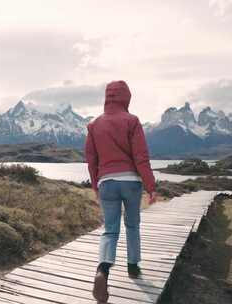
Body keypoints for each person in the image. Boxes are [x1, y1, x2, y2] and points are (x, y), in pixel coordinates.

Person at [84, 80, 157, 303]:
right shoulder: (132, 121)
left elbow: (91, 160)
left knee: (110, 230)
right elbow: (141, 157)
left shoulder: (94, 125)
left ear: (107, 97)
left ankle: (102, 270)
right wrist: (151, 187)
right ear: (126, 97)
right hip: (131, 182)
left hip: (107, 181)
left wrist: (96, 185)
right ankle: (133, 266)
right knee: (132, 225)